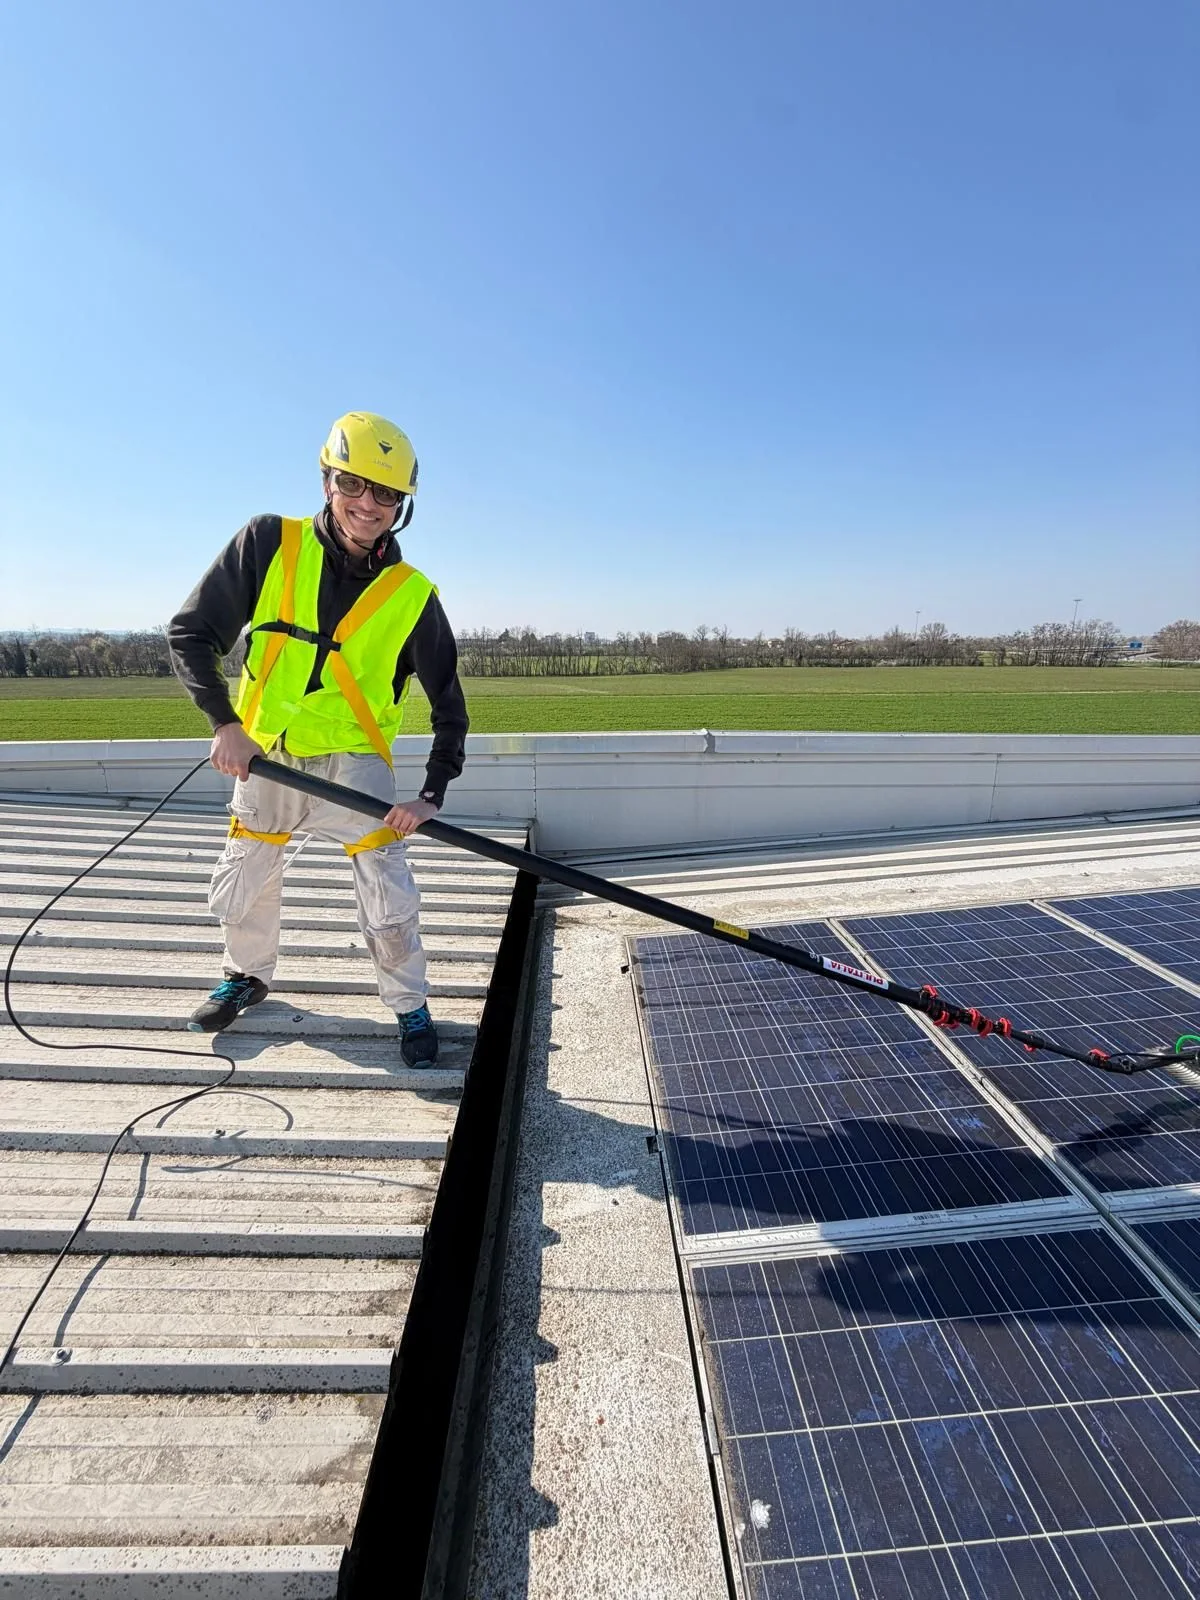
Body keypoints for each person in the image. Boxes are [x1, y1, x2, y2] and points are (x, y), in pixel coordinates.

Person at [167, 411, 468, 1065]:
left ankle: (409, 1005)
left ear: (402, 506)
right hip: (267, 756)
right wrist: (226, 724)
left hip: (356, 768)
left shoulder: (412, 595)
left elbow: (451, 707)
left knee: (388, 891)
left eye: (387, 494)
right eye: (354, 484)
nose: (369, 505)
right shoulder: (269, 544)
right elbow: (190, 633)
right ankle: (246, 977)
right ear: (328, 479)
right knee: (247, 872)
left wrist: (431, 793)